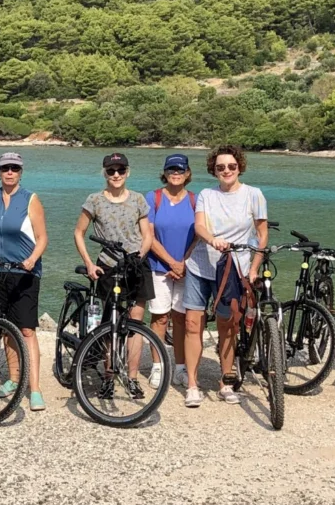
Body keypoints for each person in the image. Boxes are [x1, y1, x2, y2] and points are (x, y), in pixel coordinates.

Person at [186, 145, 267, 406]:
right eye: (220, 167)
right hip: (201, 266)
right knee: (192, 325)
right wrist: (212, 240)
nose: (226, 171)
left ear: (239, 167)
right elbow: (199, 225)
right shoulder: (206, 195)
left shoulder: (254, 195)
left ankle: (226, 382)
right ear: (214, 170)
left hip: (234, 270)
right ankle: (192, 384)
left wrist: (254, 268)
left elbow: (262, 235)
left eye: (231, 166)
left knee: (228, 326)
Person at [72, 152, 155, 399]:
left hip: (136, 265)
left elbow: (147, 234)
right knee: (110, 324)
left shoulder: (139, 199)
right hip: (108, 266)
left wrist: (141, 254)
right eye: (111, 171)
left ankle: (131, 377)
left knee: (136, 324)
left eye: (120, 170)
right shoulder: (94, 200)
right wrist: (88, 263)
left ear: (128, 172)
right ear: (104, 173)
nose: (116, 175)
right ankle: (108, 377)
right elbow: (79, 232)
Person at [0, 151, 49, 412]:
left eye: (15, 168)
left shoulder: (30, 200)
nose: (10, 172)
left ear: (21, 172)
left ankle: (35, 388)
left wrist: (32, 259)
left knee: (27, 330)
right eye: (6, 168)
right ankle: (14, 379)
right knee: (5, 329)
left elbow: (42, 238)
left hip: (24, 272)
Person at [147, 153, 195, 397]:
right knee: (159, 318)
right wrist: (171, 262)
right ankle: (157, 366)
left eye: (180, 170)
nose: (175, 174)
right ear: (164, 173)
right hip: (159, 267)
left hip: (187, 269)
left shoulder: (196, 200)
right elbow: (149, 235)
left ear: (187, 174)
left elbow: (199, 234)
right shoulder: (153, 198)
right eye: (171, 170)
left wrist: (183, 262)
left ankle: (179, 367)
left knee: (181, 319)